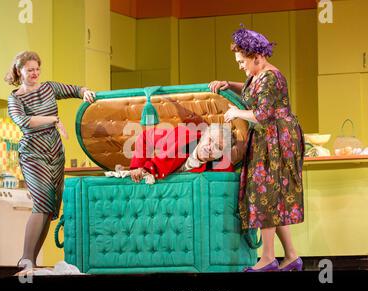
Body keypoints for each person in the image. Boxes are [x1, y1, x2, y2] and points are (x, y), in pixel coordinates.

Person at [209, 27, 305, 272]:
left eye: (242, 61)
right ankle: (292, 256)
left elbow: (262, 114)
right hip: (268, 138)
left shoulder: (271, 76)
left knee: (266, 195)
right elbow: (252, 90)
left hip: (276, 141)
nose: (240, 65)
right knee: (273, 195)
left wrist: (236, 112)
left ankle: (268, 258)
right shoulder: (258, 76)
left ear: (257, 57)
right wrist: (228, 85)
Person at [5, 51, 95, 270]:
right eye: (30, 70)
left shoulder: (49, 88)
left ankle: (32, 262)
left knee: (50, 207)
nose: (35, 73)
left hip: (55, 152)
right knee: (42, 202)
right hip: (33, 154)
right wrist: (53, 119)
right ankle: (25, 258)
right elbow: (24, 122)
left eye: (37, 69)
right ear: (20, 71)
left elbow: (74, 89)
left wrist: (85, 92)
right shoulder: (15, 98)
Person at [129, 123, 234, 182]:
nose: (210, 147)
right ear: (203, 135)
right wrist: (138, 167)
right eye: (210, 139)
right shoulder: (180, 135)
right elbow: (145, 137)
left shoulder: (223, 167)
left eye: (218, 147)